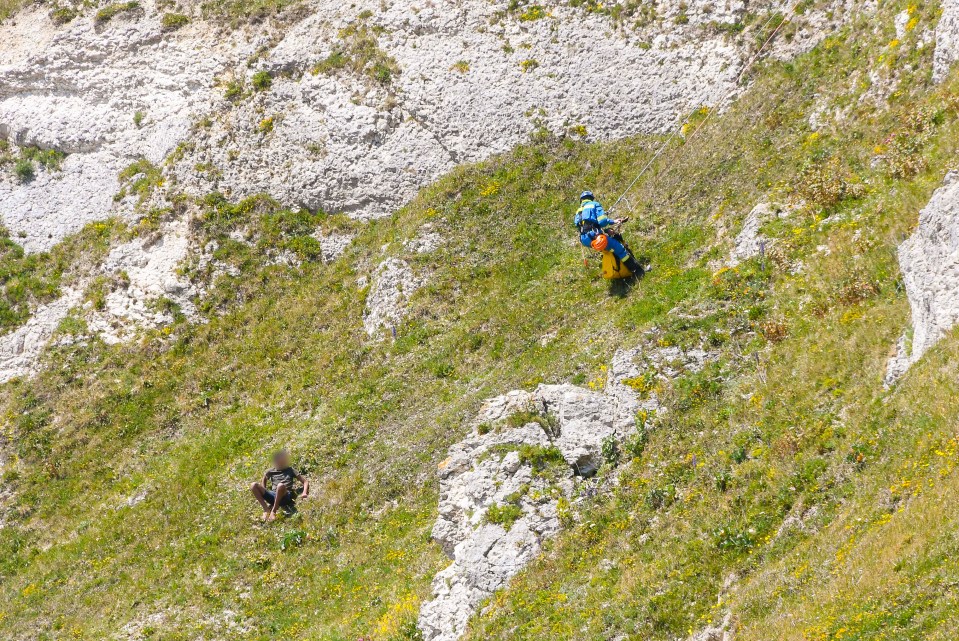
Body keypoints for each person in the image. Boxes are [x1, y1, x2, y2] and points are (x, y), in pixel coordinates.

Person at [574, 190, 643, 275]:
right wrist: (611, 223)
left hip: (585, 240)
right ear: (591, 198)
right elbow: (602, 221)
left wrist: (607, 228)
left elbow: (584, 226)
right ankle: (637, 271)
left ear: (581, 200)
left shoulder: (578, 211)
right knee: (619, 249)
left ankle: (619, 270)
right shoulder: (594, 204)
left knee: (610, 248)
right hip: (595, 236)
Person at [251, 449, 310, 521]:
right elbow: (264, 478)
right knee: (253, 485)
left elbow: (305, 481)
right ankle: (266, 510)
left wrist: (304, 492)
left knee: (280, 486)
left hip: (285, 496)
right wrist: (264, 489)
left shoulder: (290, 470)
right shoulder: (271, 471)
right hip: (273, 495)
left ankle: (274, 511)